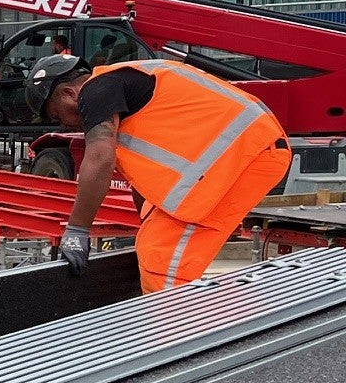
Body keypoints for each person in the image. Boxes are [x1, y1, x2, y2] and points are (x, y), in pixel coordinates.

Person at [27, 52, 290, 293]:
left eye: (57, 115)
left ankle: (175, 338)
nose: (64, 123)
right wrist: (147, 221)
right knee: (157, 236)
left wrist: (77, 230)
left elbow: (100, 159)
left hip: (242, 155)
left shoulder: (96, 89)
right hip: (250, 151)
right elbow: (143, 183)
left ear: (69, 94)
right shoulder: (124, 86)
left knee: (160, 256)